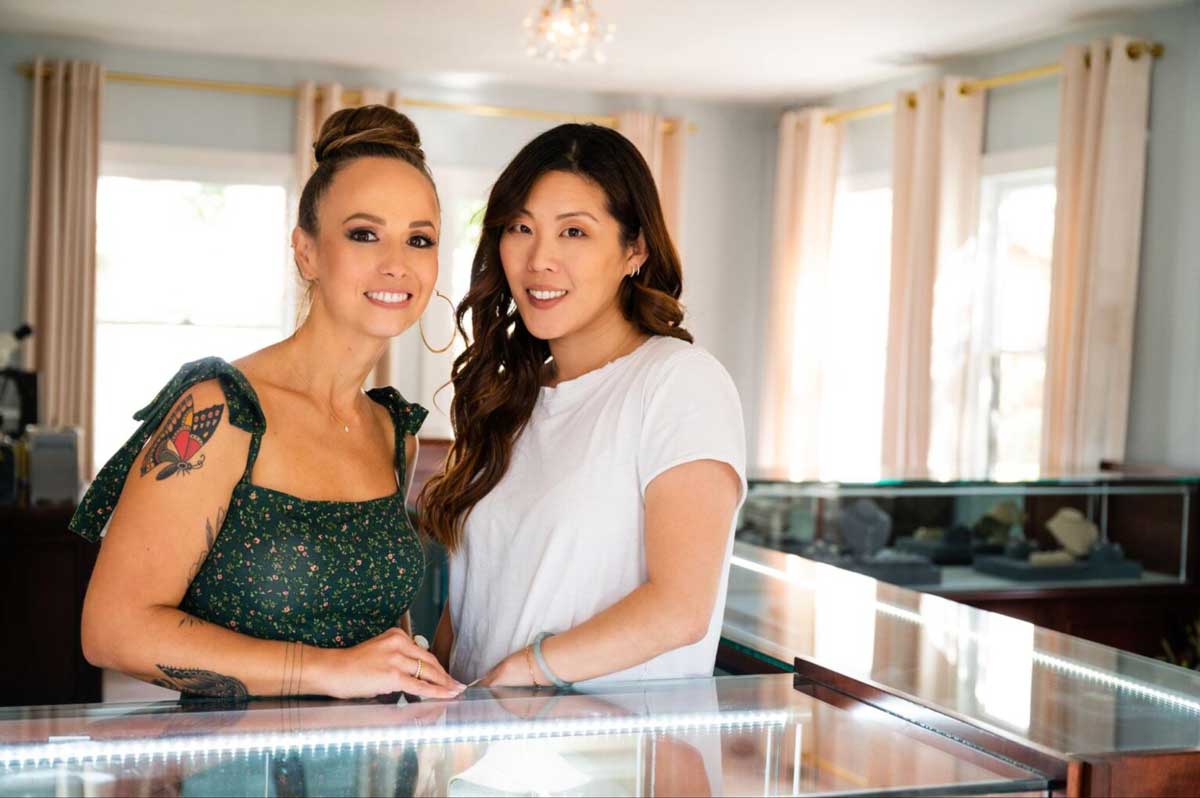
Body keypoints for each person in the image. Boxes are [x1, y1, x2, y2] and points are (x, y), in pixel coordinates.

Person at [72, 105, 463, 700]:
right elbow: (112, 631)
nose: (397, 261)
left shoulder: (392, 431)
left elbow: (381, 635)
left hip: (379, 769)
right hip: (235, 773)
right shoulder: (219, 411)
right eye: (364, 233)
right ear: (306, 252)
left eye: (419, 238)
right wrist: (328, 671)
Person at [422, 123, 747, 687]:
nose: (539, 259)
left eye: (574, 232)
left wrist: (528, 669)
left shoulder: (678, 383)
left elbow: (679, 608)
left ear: (635, 249)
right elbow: (471, 608)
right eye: (521, 228)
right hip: (479, 757)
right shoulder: (506, 401)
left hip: (613, 760)